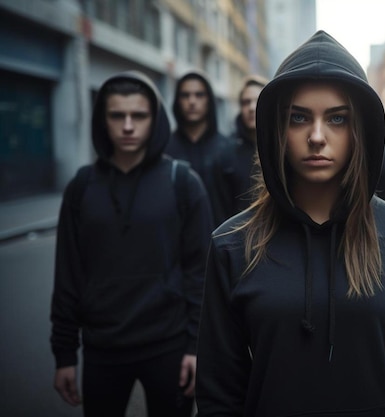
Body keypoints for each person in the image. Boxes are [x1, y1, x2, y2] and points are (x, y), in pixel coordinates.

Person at [195, 30, 385, 417]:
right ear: (277, 129)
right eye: (298, 118)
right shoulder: (232, 244)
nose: (316, 137)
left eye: (337, 119)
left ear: (359, 129)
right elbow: (219, 394)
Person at [50, 71, 212, 417]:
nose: (127, 126)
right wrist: (64, 354)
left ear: (154, 120)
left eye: (138, 116)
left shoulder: (183, 183)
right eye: (116, 115)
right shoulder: (82, 187)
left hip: (168, 347)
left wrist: (196, 347)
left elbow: (201, 272)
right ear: (102, 120)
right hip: (103, 349)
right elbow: (68, 274)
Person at [167, 70, 230, 226]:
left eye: (199, 95)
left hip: (220, 241)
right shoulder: (165, 148)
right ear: (177, 100)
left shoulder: (228, 147)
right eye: (185, 95)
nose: (192, 101)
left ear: (209, 100)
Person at [213, 75, 268, 218]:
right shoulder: (226, 152)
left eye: (257, 100)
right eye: (246, 102)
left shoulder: (284, 149)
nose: (251, 107)